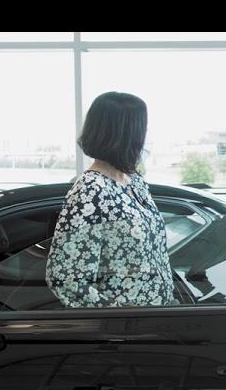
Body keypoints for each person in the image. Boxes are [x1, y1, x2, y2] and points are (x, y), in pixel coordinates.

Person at [46, 91, 177, 307]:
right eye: (141, 130)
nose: (145, 139)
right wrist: (120, 317)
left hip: (159, 319)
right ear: (124, 134)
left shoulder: (134, 181)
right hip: (128, 329)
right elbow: (67, 279)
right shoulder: (91, 190)